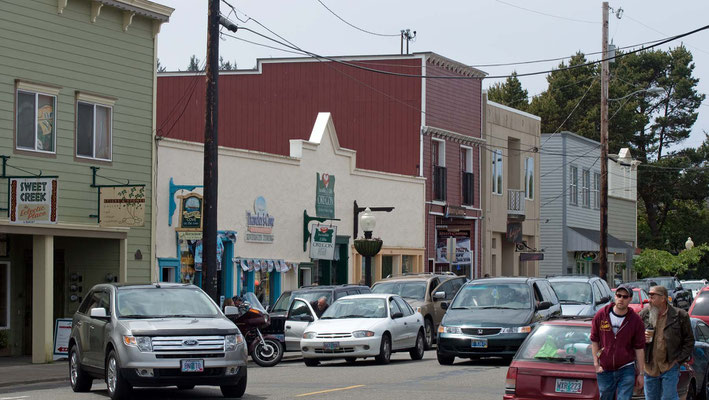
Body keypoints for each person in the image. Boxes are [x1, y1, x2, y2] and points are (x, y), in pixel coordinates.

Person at [590, 283, 646, 400]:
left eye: (625, 297)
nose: (621, 299)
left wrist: (641, 374)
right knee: (605, 397)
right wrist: (596, 364)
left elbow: (639, 348)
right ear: (614, 296)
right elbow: (594, 341)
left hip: (626, 368)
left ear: (630, 299)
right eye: (619, 295)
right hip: (605, 367)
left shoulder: (636, 320)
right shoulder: (601, 315)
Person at [639, 285, 694, 400]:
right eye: (649, 296)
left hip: (669, 366)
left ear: (663, 298)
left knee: (668, 397)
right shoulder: (644, 314)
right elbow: (633, 338)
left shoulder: (679, 316)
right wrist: (641, 337)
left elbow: (689, 341)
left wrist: (678, 360)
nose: (649, 300)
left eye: (653, 296)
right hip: (649, 367)